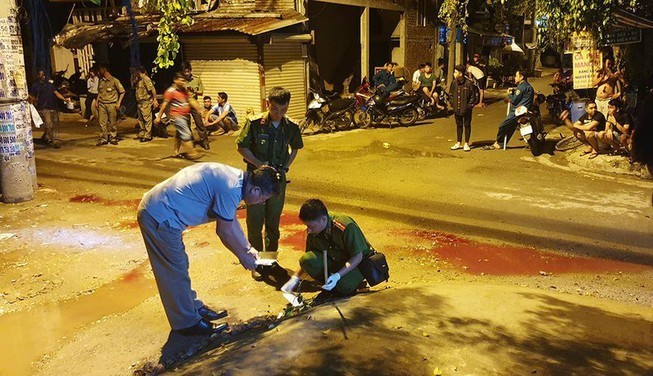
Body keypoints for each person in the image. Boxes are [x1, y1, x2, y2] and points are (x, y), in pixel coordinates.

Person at [137, 163, 281, 335]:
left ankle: (194, 307)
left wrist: (247, 248)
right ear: (256, 190)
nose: (262, 202)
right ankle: (187, 323)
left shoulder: (236, 181)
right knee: (174, 271)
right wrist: (242, 256)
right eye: (263, 198)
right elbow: (224, 231)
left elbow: (230, 219)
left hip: (164, 212)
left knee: (181, 264)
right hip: (159, 217)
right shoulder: (231, 188)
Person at [236, 87, 303, 280]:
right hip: (256, 181)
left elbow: (295, 148)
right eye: (275, 109)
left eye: (283, 110)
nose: (278, 114)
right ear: (268, 104)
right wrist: (260, 165)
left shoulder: (290, 126)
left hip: (277, 182)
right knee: (255, 222)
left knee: (273, 223)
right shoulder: (255, 123)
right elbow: (241, 147)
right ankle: (257, 263)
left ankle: (270, 261)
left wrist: (285, 167)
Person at [281, 199, 375, 297]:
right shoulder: (313, 232)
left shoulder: (345, 226)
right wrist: (294, 279)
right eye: (307, 226)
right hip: (336, 260)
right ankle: (331, 286)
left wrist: (337, 276)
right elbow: (308, 258)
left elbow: (357, 256)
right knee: (307, 260)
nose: (308, 230)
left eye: (311, 226)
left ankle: (354, 284)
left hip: (358, 263)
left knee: (343, 286)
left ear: (324, 219)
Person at [155, 72, 203, 160]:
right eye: (181, 81)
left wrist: (199, 109)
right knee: (186, 133)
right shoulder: (170, 91)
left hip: (185, 115)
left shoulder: (184, 90)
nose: (183, 82)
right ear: (175, 80)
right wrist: (159, 117)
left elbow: (190, 100)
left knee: (179, 134)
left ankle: (176, 152)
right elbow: (164, 104)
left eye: (184, 81)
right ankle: (192, 153)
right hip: (177, 116)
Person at [485, 69, 534, 150]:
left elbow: (514, 100)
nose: (515, 78)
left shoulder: (521, 87)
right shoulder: (528, 87)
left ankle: (499, 142)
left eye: (516, 76)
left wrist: (510, 94)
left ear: (521, 77)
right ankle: (502, 142)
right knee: (511, 127)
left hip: (517, 111)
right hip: (526, 111)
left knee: (503, 126)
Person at [29, 69, 68, 148]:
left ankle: (46, 137)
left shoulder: (49, 85)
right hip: (43, 107)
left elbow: (56, 93)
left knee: (52, 125)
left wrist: (64, 99)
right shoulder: (35, 85)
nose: (43, 77)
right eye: (41, 75)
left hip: (52, 106)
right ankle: (50, 140)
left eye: (44, 75)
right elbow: (32, 96)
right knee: (49, 124)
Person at [182, 61, 210, 150]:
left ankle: (204, 141)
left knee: (199, 123)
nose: (187, 73)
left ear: (190, 71)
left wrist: (193, 91)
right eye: (185, 72)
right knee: (186, 124)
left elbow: (201, 92)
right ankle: (191, 141)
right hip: (184, 104)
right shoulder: (180, 80)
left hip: (194, 103)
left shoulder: (196, 79)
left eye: (188, 71)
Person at [95, 65, 125, 146]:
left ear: (104, 69)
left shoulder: (114, 80)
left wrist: (118, 102)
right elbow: (99, 92)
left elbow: (122, 92)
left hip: (111, 103)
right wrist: (97, 101)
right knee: (102, 122)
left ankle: (113, 137)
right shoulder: (101, 80)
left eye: (100, 69)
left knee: (112, 122)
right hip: (102, 104)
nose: (99, 71)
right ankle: (103, 138)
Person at [449, 65, 476, 152]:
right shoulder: (453, 83)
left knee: (467, 125)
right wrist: (453, 104)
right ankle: (458, 142)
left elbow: (473, 96)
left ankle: (466, 143)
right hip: (457, 109)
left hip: (467, 109)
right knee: (459, 125)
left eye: (456, 72)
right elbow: (451, 94)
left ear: (460, 74)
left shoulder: (469, 83)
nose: (454, 74)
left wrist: (469, 106)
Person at [134, 66, 159, 142]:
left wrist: (155, 100)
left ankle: (148, 135)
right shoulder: (139, 80)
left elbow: (152, 89)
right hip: (140, 102)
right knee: (140, 119)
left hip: (146, 102)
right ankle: (142, 133)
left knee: (147, 119)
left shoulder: (146, 79)